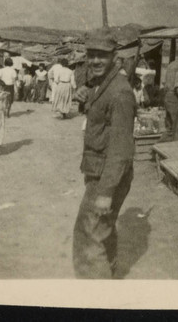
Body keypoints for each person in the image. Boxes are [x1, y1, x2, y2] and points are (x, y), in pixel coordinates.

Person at [73, 28, 136, 279]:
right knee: (103, 230)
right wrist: (84, 97)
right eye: (92, 55)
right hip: (98, 170)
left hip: (106, 177)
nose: (96, 61)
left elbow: (121, 148)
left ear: (115, 57)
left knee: (87, 237)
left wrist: (106, 192)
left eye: (102, 55)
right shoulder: (101, 84)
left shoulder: (120, 93)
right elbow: (100, 115)